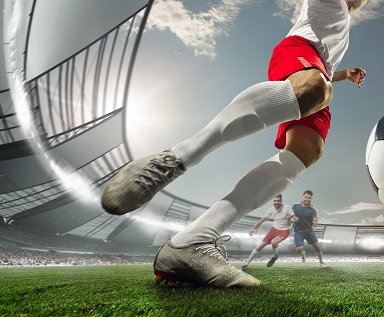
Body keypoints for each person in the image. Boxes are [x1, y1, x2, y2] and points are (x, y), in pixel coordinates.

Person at [100, 0, 368, 288]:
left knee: (307, 150)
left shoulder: (343, 24)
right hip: (300, 51)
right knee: (313, 89)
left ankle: (192, 241)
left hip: (320, 71)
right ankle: (174, 159)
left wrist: (343, 75)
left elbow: (325, 65)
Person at [241, 194, 294, 270]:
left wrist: (291, 216)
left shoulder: (287, 207)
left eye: (278, 201)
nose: (276, 202)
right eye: (274, 201)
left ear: (281, 201)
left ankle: (274, 256)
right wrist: (253, 228)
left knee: (274, 242)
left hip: (284, 231)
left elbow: (293, 215)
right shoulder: (271, 210)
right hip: (274, 229)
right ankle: (246, 264)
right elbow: (262, 220)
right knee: (260, 246)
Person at [291, 190, 326, 267]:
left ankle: (321, 262)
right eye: (305, 197)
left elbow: (315, 218)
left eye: (309, 198)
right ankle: (303, 255)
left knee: (317, 247)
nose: (307, 199)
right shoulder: (295, 206)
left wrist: (315, 222)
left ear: (311, 199)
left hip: (308, 231)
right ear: (302, 197)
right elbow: (290, 214)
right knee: (299, 249)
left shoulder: (313, 210)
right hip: (298, 232)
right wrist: (293, 217)